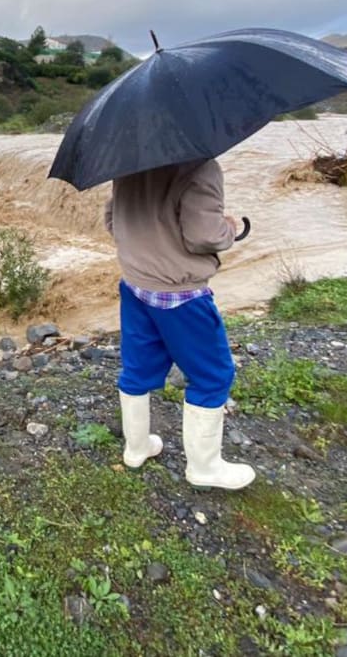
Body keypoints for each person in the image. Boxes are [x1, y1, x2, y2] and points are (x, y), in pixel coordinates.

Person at [103, 157, 255, 490]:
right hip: (180, 294)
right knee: (213, 375)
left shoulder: (126, 162)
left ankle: (136, 448)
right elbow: (204, 236)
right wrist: (230, 227)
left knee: (137, 368)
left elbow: (112, 220)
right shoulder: (200, 167)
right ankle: (204, 468)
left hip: (135, 285)